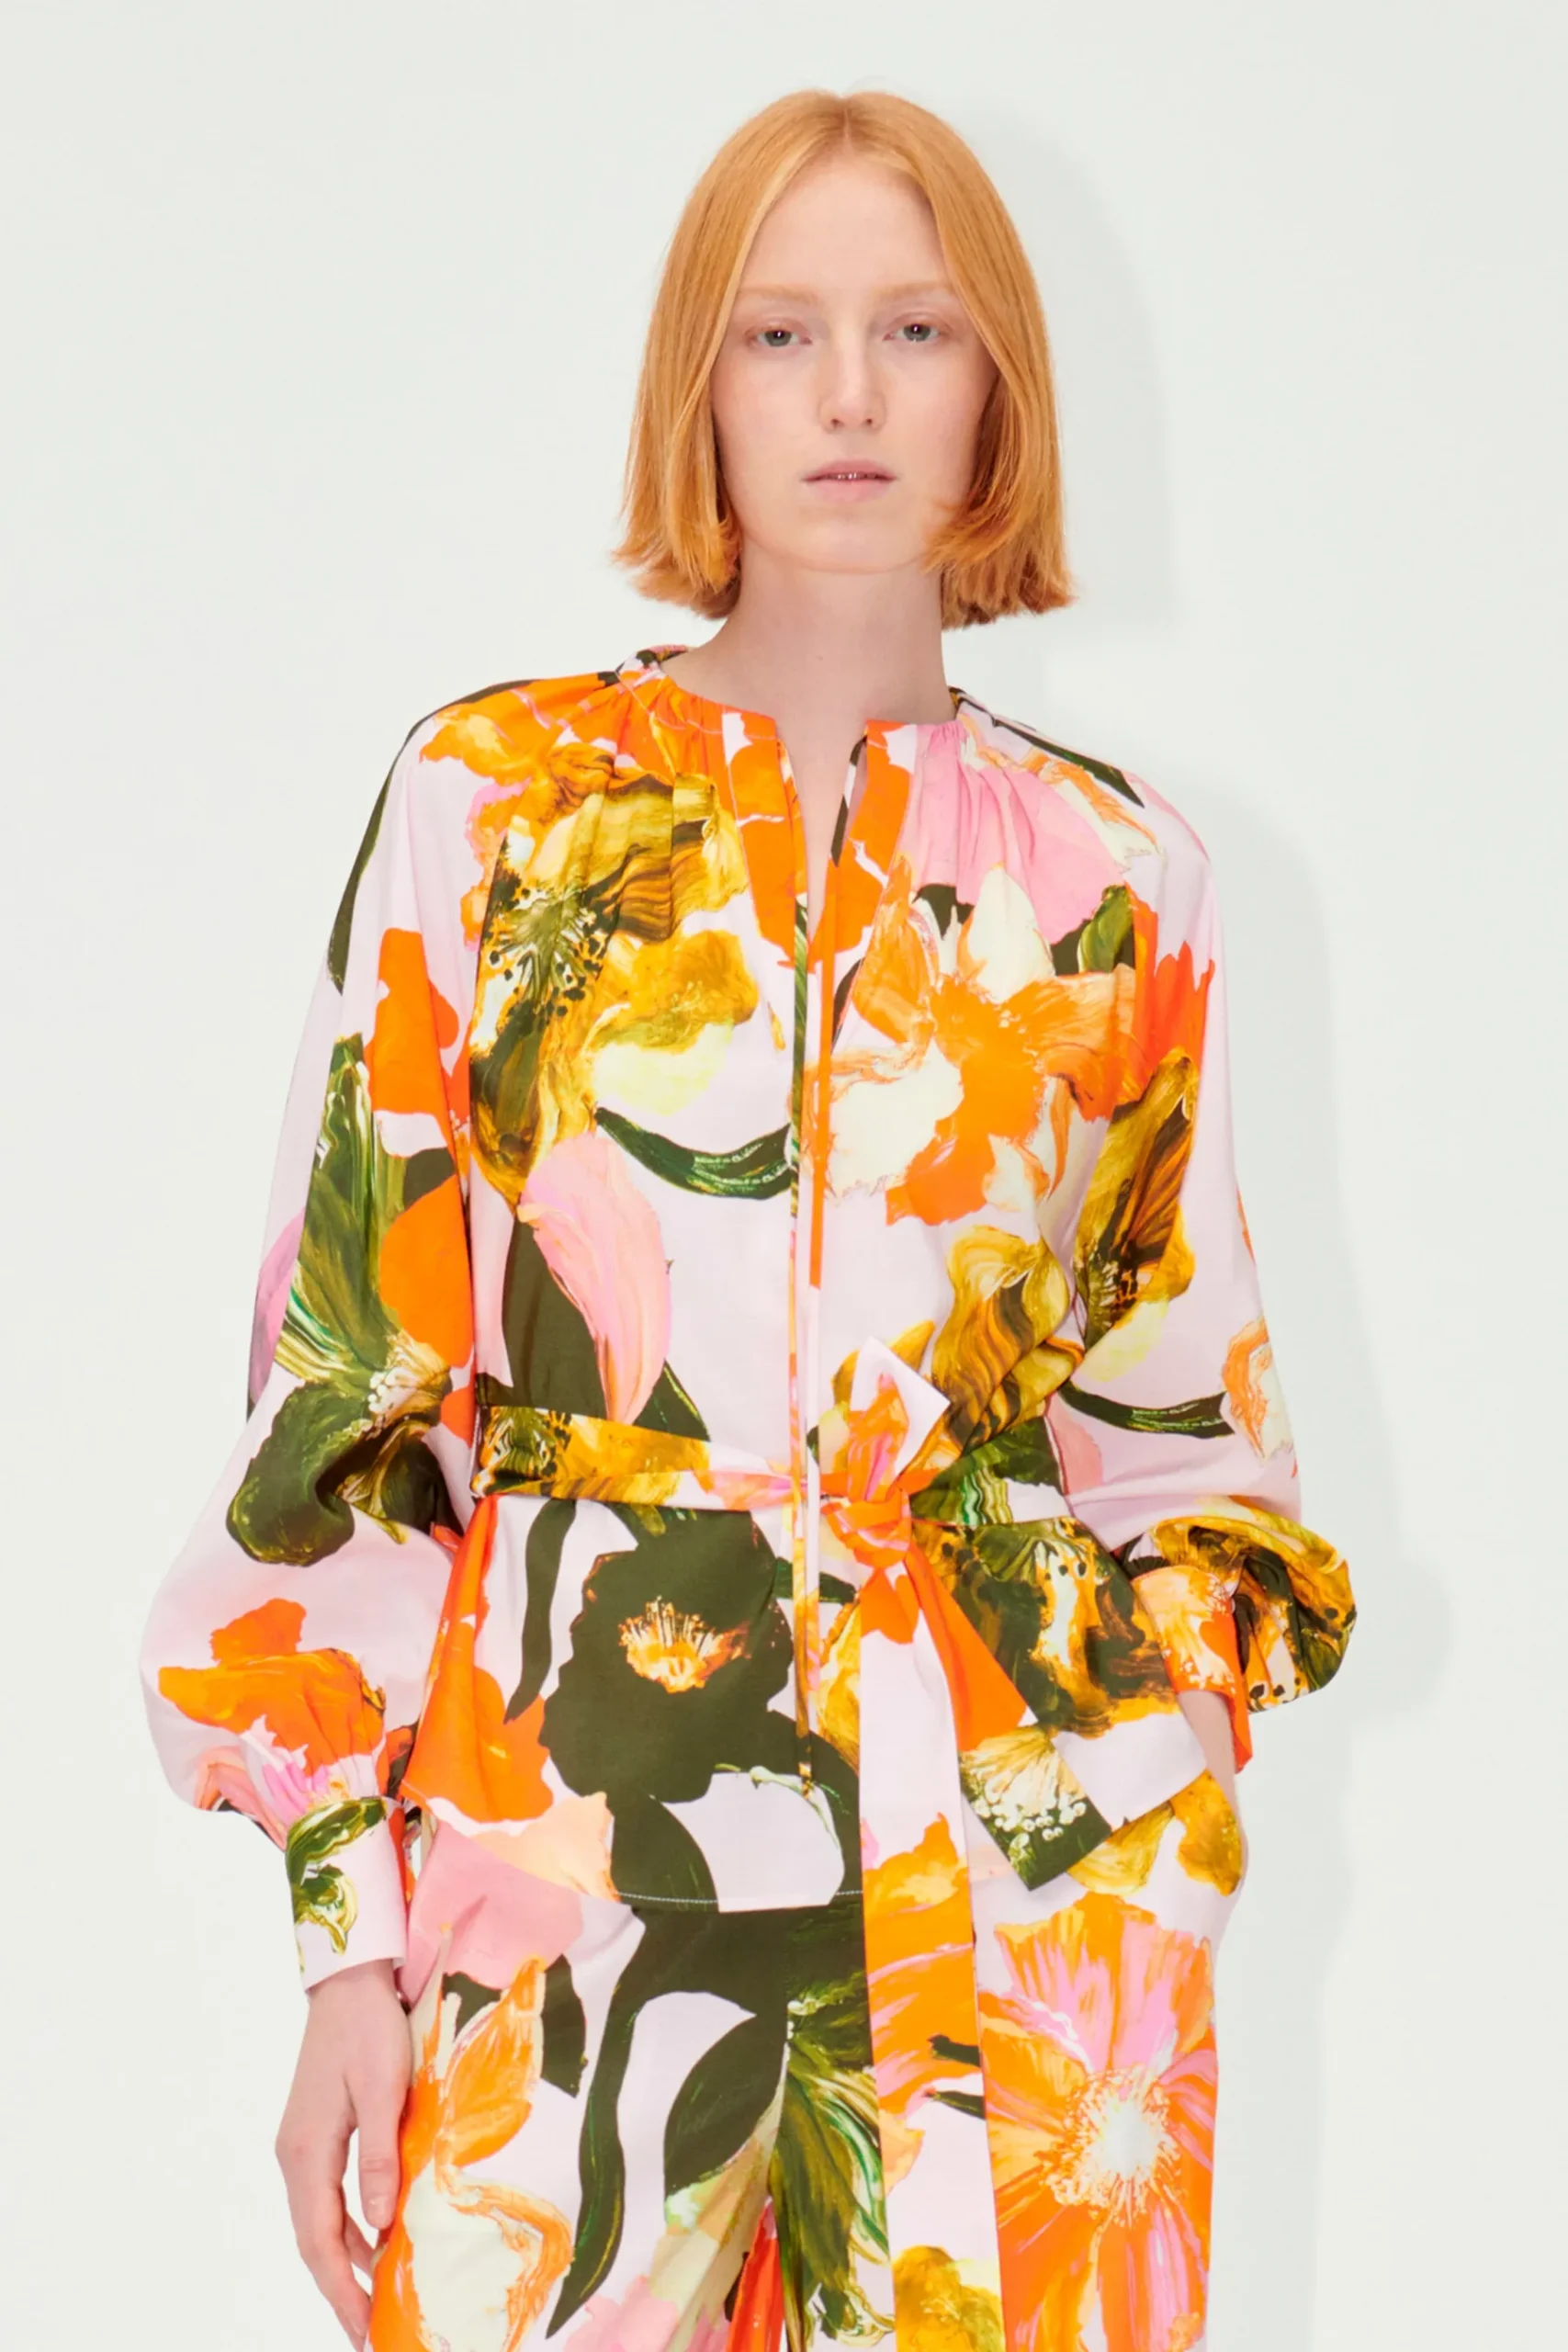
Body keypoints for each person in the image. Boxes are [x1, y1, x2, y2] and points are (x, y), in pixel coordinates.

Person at [139, 85, 1355, 2352]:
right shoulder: (494, 812)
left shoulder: (1120, 881)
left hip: (1009, 1916)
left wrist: (1149, 1795)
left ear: (999, 387)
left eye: (918, 328)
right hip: (561, 1883)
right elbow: (357, 1384)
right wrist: (343, 1941)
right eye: (780, 334)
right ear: (696, 383)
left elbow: (1180, 1429)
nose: (852, 394)